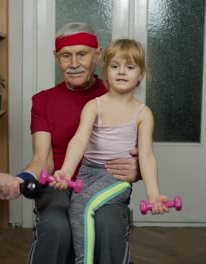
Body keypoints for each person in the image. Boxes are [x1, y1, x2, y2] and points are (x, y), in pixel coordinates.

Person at [0, 22, 140, 264]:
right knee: (56, 227)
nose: (73, 64)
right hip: (59, 186)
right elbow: (43, 160)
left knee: (108, 226)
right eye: (65, 56)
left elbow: (139, 152)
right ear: (56, 58)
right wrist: (19, 180)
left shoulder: (120, 97)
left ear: (97, 55)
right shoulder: (43, 101)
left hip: (103, 186)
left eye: (82, 54)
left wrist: (138, 168)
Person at [51, 38, 169, 264]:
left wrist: (153, 193)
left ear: (141, 74)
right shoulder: (94, 106)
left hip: (116, 177)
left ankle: (82, 261)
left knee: (80, 206)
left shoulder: (143, 113)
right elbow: (79, 141)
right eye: (115, 66)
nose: (122, 72)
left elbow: (146, 155)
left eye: (130, 67)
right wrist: (66, 170)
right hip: (88, 172)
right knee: (81, 210)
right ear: (105, 72)